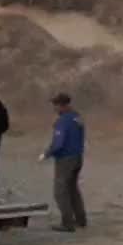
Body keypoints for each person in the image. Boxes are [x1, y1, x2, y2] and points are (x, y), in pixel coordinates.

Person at [39, 92, 87, 232]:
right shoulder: (77, 117)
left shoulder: (63, 121)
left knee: (60, 192)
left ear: (62, 105)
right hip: (77, 157)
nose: (54, 108)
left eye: (56, 105)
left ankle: (67, 223)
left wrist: (46, 154)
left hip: (65, 159)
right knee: (73, 189)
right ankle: (81, 220)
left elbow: (58, 143)